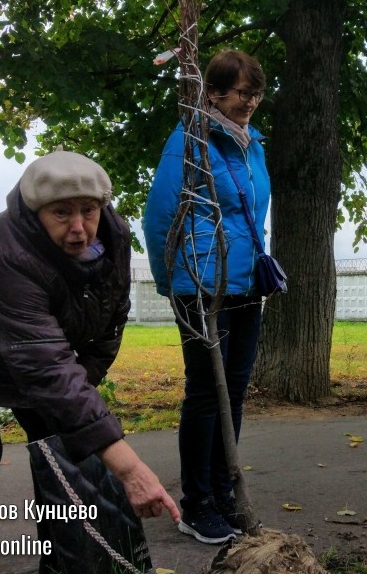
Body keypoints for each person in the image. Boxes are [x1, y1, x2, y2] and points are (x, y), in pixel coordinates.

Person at [0, 150, 179, 574]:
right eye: (61, 213)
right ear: (35, 211)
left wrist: (74, 400)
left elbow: (106, 323)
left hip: (13, 347)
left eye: (89, 211)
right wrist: (131, 469)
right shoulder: (8, 251)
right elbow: (45, 366)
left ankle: (66, 564)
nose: (79, 229)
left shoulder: (113, 236)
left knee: (68, 441)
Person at [143, 49, 270, 545]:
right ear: (213, 92)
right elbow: (160, 218)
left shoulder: (251, 144)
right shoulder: (188, 142)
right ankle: (196, 502)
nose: (252, 102)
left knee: (234, 391)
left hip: (245, 284)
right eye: (243, 92)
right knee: (205, 394)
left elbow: (250, 218)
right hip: (200, 286)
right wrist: (173, 281)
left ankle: (223, 489)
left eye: (257, 93)